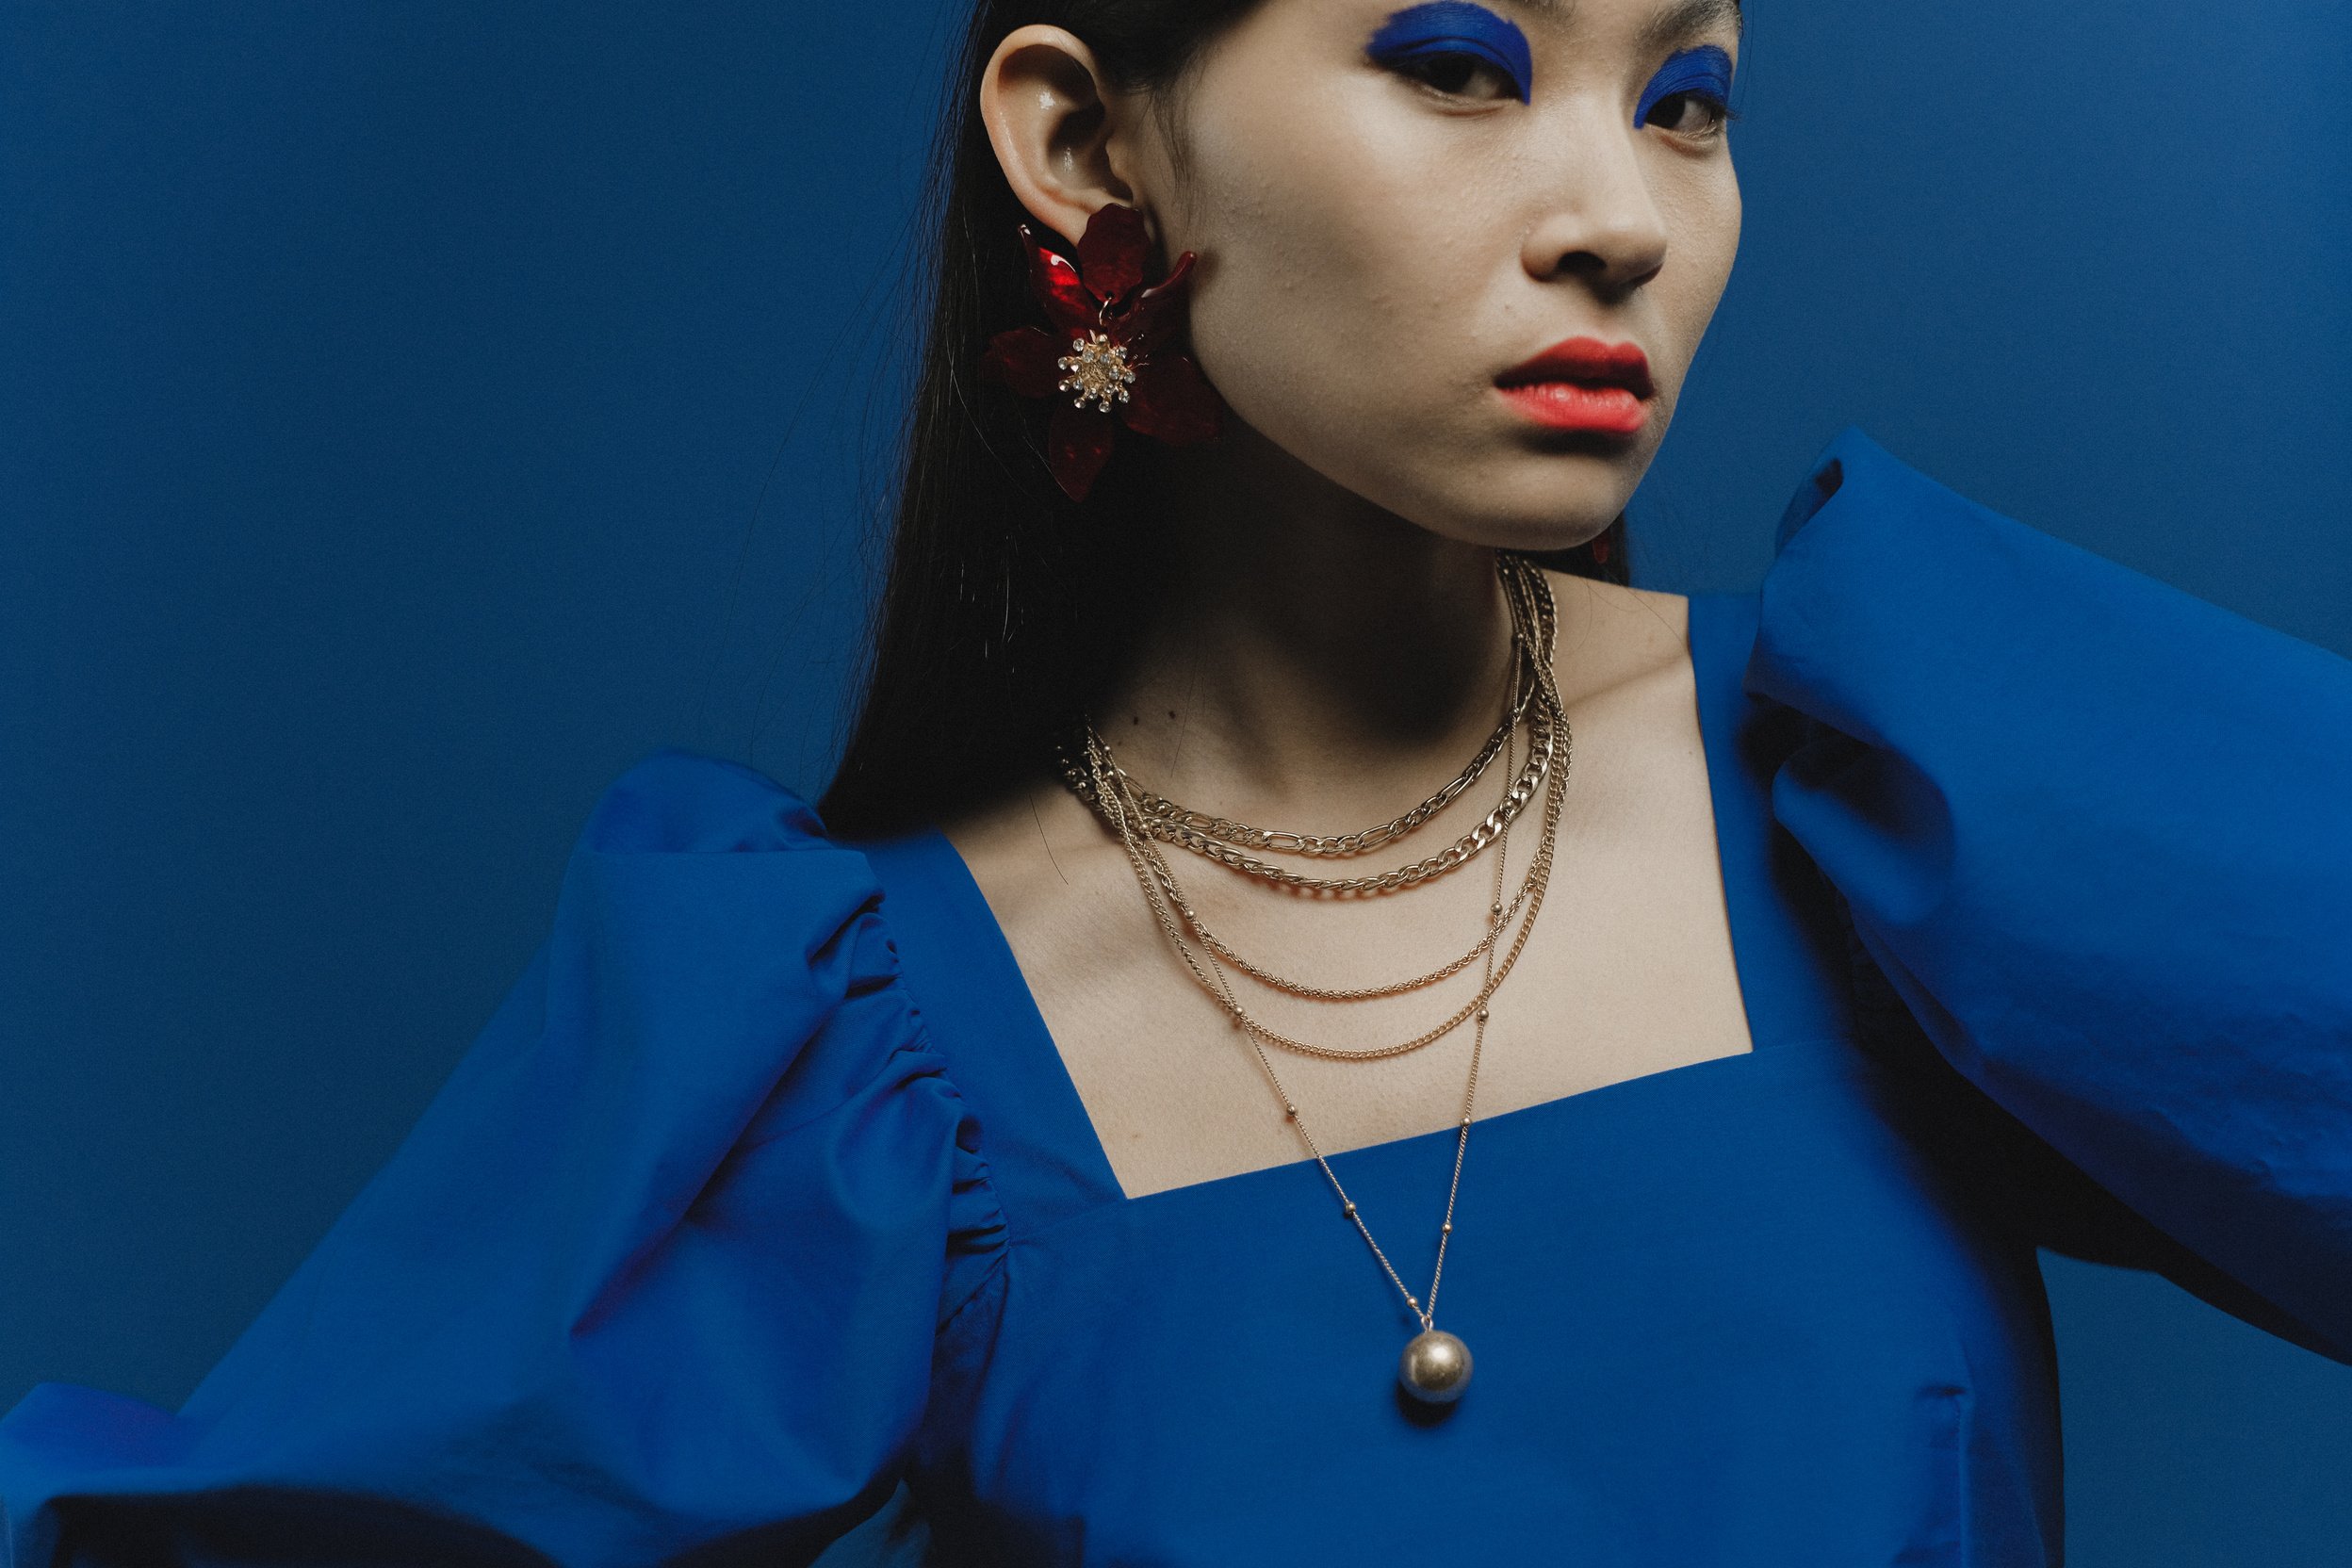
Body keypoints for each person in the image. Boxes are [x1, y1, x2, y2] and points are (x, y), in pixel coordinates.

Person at [5, 0, 2347, 1562]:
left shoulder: (1912, 792)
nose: (1624, 212)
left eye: (1690, 97)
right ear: (1082, 139)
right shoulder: (855, 1044)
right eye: (1460, 63)